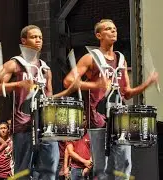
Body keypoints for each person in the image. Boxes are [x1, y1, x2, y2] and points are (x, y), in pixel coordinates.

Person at [64, 19, 159, 179]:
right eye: (108, 29)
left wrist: (146, 84)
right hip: (98, 120)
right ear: (98, 35)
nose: (113, 31)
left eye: (114, 28)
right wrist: (96, 85)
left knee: (125, 163)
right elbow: (68, 81)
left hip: (120, 120)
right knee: (103, 168)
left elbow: (127, 93)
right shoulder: (90, 58)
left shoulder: (121, 59)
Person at [0, 25, 79, 180]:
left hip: (45, 127)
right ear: (24, 40)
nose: (38, 40)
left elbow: (49, 99)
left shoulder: (45, 69)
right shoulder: (14, 64)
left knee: (50, 168)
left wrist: (68, 91)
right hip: (23, 126)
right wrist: (18, 85)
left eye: (40, 37)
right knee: (23, 172)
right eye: (34, 37)